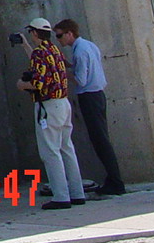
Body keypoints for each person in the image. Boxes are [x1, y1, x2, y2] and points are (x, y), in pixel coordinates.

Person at [16, 17, 86, 210]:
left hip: (48, 106)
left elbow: (38, 83)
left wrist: (22, 85)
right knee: (66, 148)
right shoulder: (54, 49)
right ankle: (77, 192)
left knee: (50, 151)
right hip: (63, 103)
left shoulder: (40, 53)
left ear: (35, 33)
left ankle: (61, 196)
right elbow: (42, 63)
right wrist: (25, 46)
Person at [54, 18, 125, 195]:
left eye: (60, 36)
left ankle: (116, 182)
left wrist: (61, 73)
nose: (59, 40)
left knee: (100, 141)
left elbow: (81, 79)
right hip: (98, 95)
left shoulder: (80, 51)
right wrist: (68, 65)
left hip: (89, 97)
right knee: (102, 138)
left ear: (70, 33)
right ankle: (113, 180)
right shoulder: (88, 46)